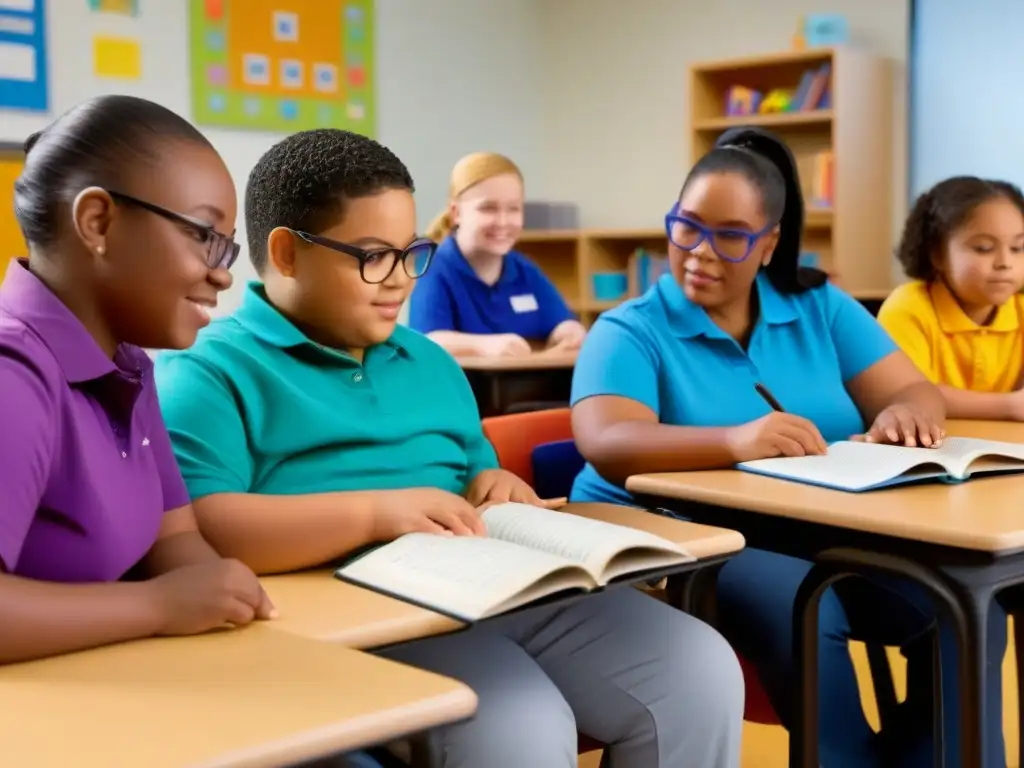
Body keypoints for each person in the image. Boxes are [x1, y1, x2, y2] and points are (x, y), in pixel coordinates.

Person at [154, 128, 744, 768]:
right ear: (288, 254)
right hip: (348, 610)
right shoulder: (207, 370)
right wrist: (377, 513)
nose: (401, 280)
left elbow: (475, 470)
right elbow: (206, 529)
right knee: (521, 721)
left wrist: (495, 487)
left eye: (412, 254)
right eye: (375, 256)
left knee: (700, 665)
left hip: (487, 586)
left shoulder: (432, 363)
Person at [567, 127, 1001, 767]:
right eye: (686, 227)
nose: (700, 252)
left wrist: (907, 414)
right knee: (804, 600)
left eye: (732, 236)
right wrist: (736, 440)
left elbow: (910, 386)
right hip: (678, 536)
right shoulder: (629, 329)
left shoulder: (817, 304)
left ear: (769, 243)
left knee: (951, 597)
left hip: (809, 522)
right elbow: (606, 440)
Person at [0, 95, 276, 665]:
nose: (222, 272)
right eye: (203, 235)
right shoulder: (13, 373)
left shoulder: (128, 363)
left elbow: (172, 538)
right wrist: (157, 607)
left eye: (225, 247)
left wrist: (223, 597)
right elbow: (164, 596)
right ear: (97, 221)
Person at [409, 151, 587, 357]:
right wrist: (484, 346)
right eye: (488, 208)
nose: (503, 222)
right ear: (456, 213)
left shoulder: (525, 270)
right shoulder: (434, 268)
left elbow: (561, 321)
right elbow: (426, 340)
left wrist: (570, 332)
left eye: (513, 209)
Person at [878, 176, 1024, 420]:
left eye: (1018, 248)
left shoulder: (1020, 309)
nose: (1005, 263)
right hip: (933, 445)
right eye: (984, 248)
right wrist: (1009, 406)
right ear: (937, 255)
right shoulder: (908, 308)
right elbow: (904, 394)